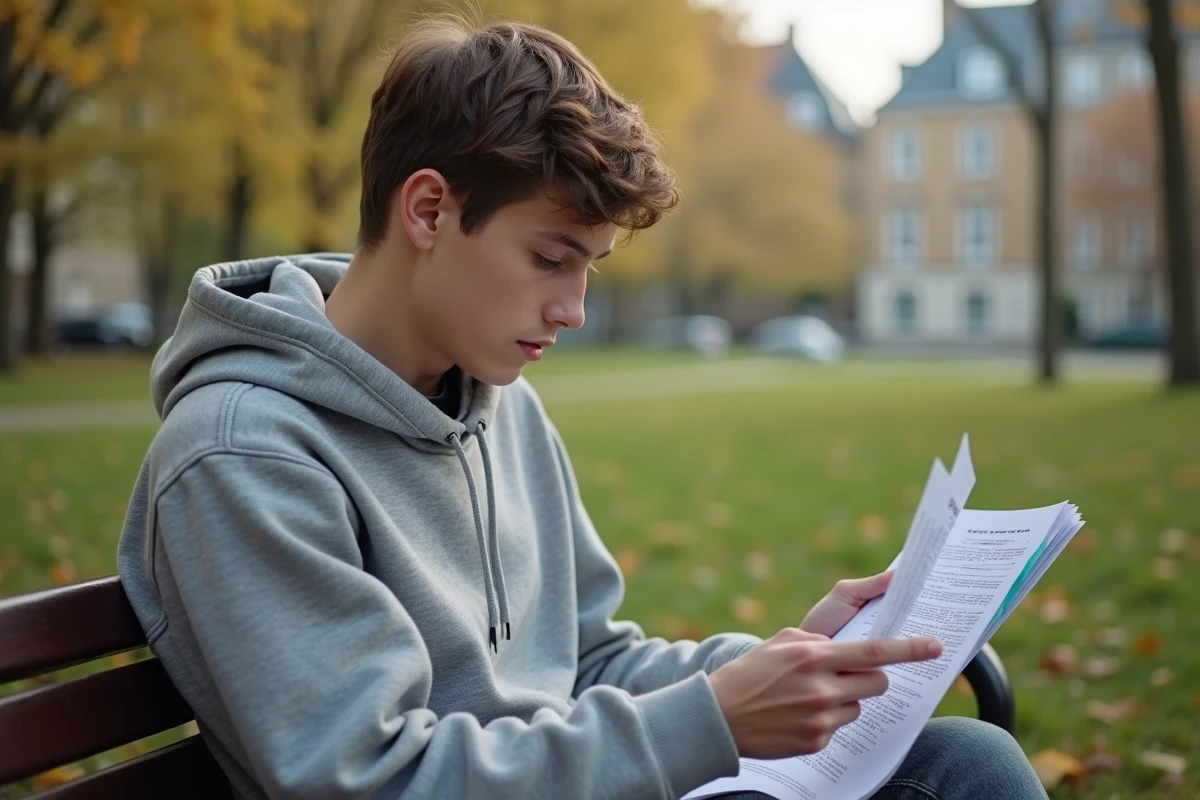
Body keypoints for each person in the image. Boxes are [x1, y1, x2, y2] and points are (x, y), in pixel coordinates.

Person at [116, 14, 1048, 800]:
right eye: (551, 259)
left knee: (965, 761)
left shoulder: (498, 400)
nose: (573, 310)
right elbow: (370, 777)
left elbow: (591, 664)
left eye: (590, 269)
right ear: (430, 211)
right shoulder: (242, 453)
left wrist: (779, 664)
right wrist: (712, 721)